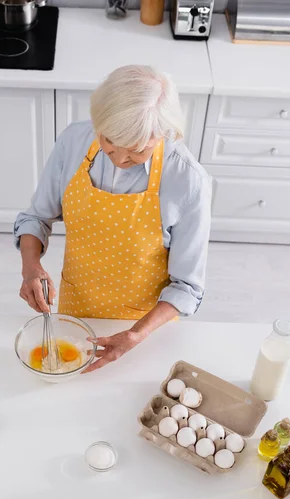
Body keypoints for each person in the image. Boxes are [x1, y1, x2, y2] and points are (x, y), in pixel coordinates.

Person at [14, 65, 211, 373]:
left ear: (163, 134)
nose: (119, 159)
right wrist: (30, 267)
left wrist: (135, 334)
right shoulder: (73, 142)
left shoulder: (188, 181)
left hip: (145, 328)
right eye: (108, 141)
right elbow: (36, 218)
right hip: (76, 309)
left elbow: (187, 287)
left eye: (137, 150)